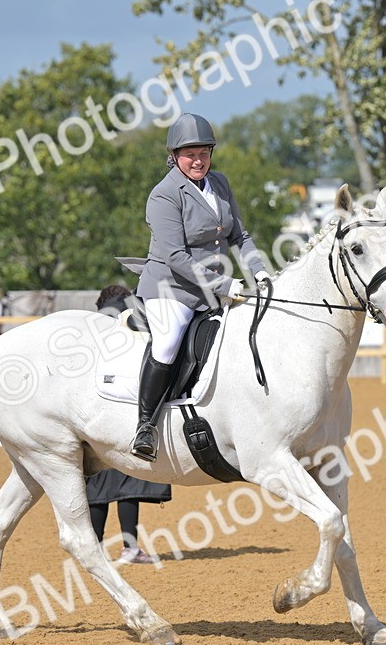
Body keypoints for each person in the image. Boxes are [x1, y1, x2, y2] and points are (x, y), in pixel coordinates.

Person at [131, 113, 271, 461]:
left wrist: (259, 271)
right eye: (190, 154)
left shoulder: (219, 184)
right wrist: (224, 283)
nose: (198, 160)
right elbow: (176, 257)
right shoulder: (164, 195)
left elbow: (240, 235)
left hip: (215, 288)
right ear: (175, 156)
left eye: (204, 153)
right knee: (167, 343)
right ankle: (145, 427)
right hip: (170, 288)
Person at [85, 285, 170, 564]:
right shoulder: (133, 321)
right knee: (128, 481)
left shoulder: (94, 329)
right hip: (125, 409)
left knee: (97, 486)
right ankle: (130, 548)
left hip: (93, 414)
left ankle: (95, 548)